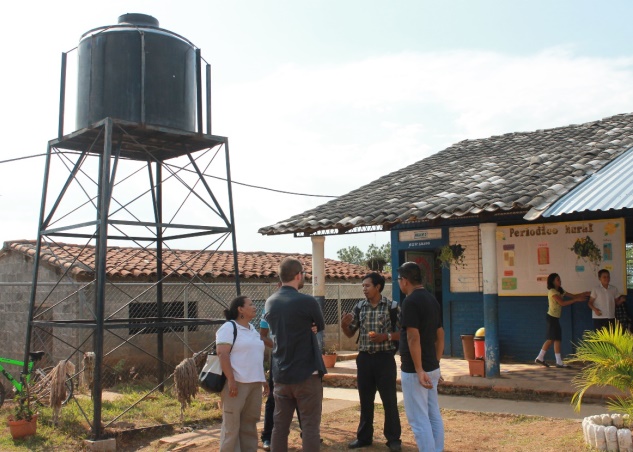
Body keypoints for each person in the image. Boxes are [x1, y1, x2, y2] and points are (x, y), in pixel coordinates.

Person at [264, 257, 326, 452]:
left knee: (279, 427)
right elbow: (320, 325)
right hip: (307, 373)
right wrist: (310, 327)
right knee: (309, 427)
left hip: (281, 373)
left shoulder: (270, 302)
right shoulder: (307, 301)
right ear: (299, 275)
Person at [341, 272, 402, 451]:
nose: (364, 289)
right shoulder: (360, 307)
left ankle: (393, 439)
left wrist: (386, 336)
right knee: (365, 400)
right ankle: (364, 437)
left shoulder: (392, 307)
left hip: (385, 359)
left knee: (389, 400)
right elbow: (350, 333)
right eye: (363, 286)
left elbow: (405, 332)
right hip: (365, 359)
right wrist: (344, 324)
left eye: (367, 286)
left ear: (378, 287)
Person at [397, 261, 444, 452]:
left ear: (405, 280)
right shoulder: (431, 299)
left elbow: (412, 336)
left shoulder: (410, 301)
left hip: (417, 371)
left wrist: (419, 369)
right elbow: (440, 335)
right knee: (433, 415)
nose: (399, 283)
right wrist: (436, 364)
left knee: (418, 420)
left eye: (399, 279)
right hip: (431, 368)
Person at [216, 295, 269, 451]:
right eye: (250, 304)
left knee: (249, 425)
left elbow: (256, 357)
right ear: (240, 309)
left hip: (254, 385)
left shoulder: (252, 329)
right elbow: (222, 354)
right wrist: (231, 380)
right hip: (236, 385)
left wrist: (263, 380)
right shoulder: (229, 328)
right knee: (231, 427)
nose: (254, 307)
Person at [534, 273, 589, 368]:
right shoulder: (552, 292)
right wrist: (577, 300)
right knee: (554, 339)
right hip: (551, 318)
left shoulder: (560, 290)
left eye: (560, 279)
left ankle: (542, 358)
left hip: (555, 318)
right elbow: (562, 303)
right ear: (552, 281)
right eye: (558, 280)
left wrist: (584, 294)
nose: (560, 281)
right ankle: (554, 361)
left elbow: (573, 296)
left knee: (553, 339)